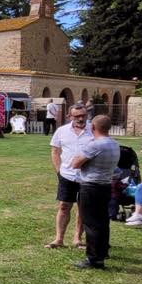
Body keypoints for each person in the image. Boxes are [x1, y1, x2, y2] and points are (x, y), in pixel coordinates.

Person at [70, 115, 120, 269]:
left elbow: (75, 163)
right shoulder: (114, 144)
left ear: (93, 128)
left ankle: (94, 259)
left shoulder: (95, 145)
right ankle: (102, 251)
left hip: (91, 186)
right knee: (103, 221)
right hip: (105, 185)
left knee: (91, 223)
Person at [46, 103, 92, 249]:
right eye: (77, 116)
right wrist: (59, 171)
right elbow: (55, 151)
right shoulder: (61, 131)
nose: (80, 118)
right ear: (70, 116)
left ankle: (77, 238)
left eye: (83, 115)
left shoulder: (94, 129)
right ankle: (59, 239)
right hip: (67, 175)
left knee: (83, 207)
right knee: (64, 206)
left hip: (88, 176)